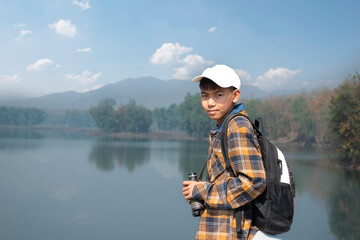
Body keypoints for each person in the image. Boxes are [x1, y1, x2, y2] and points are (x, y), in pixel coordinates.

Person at [182, 64, 267, 240]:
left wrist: (202, 191)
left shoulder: (237, 127)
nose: (210, 102)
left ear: (235, 95)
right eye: (205, 96)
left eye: (218, 95)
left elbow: (254, 181)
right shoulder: (225, 127)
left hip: (230, 232)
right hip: (219, 229)